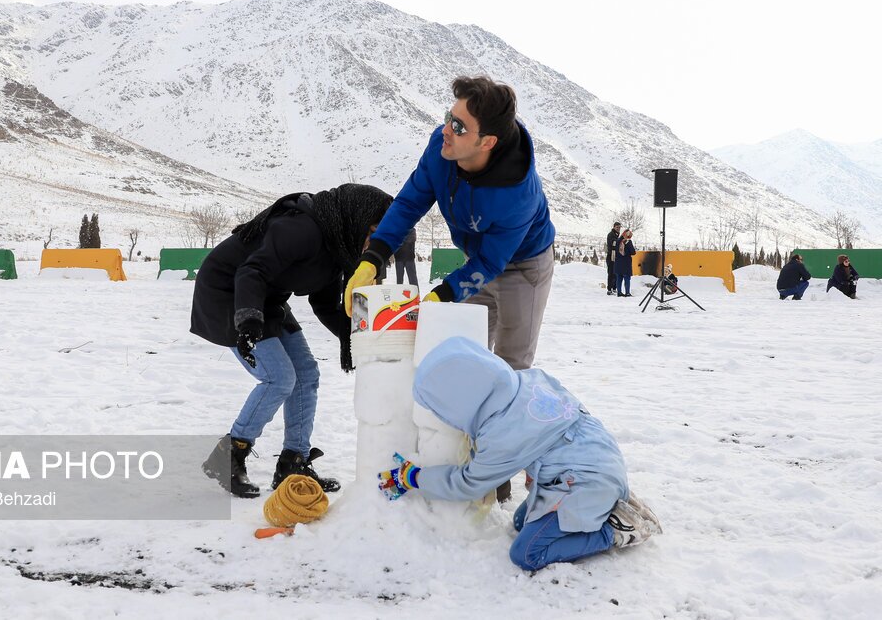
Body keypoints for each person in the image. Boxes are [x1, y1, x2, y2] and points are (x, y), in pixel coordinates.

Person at [344, 76, 555, 502]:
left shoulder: (517, 195)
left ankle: (499, 473)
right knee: (462, 357)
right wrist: (373, 258)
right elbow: (408, 203)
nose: (447, 130)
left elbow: (493, 263)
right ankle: (453, 453)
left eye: (459, 126)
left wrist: (442, 294)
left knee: (511, 368)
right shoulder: (441, 151)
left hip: (523, 267)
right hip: (478, 261)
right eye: (448, 117)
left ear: (488, 142)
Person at [377, 337, 662, 572]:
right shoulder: (531, 379)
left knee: (527, 553)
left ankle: (616, 531)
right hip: (602, 457)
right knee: (519, 523)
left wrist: (415, 477)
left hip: (583, 482)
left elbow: (467, 484)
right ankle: (612, 498)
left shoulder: (501, 435)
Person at [191, 184, 393, 498]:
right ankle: (230, 454)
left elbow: (324, 303)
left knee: (307, 375)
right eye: (374, 230)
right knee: (279, 378)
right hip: (230, 293)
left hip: (267, 299)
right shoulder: (301, 229)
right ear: (358, 216)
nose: (376, 241)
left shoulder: (339, 245)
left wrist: (356, 339)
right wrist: (248, 320)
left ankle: (293, 462)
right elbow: (251, 271)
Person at [614, 229, 636, 297]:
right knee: (627, 278)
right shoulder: (628, 242)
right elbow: (633, 252)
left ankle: (619, 292)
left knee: (619, 278)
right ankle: (627, 293)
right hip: (626, 263)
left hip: (618, 262)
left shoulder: (617, 241)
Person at [606, 222, 621, 295]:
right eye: (617, 227)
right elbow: (613, 244)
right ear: (614, 227)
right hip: (611, 256)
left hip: (615, 256)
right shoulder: (611, 235)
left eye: (619, 227)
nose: (618, 229)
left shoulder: (616, 235)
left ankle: (614, 288)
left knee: (615, 273)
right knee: (611, 273)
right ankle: (609, 289)